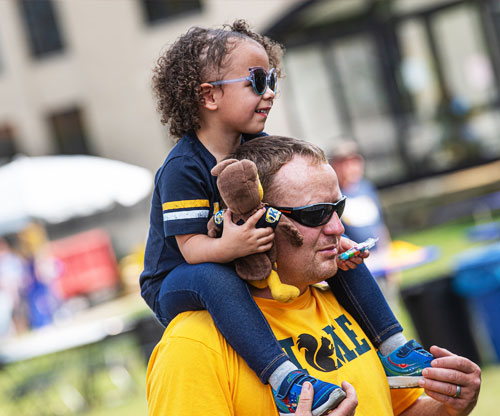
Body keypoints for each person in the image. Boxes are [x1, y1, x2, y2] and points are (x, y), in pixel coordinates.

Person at [140, 20, 431, 414]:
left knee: (339, 252)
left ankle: (394, 348)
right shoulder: (183, 168)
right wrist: (233, 245)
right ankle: (284, 379)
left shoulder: (256, 148)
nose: (271, 92)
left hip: (229, 259)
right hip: (177, 279)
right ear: (208, 96)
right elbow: (191, 249)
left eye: (273, 78)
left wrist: (326, 233)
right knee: (215, 276)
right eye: (257, 81)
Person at [146, 136, 481, 416]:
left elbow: (398, 410)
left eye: (338, 209)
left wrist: (448, 408)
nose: (337, 228)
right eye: (317, 214)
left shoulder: (348, 302)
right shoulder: (193, 345)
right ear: (256, 221)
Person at [328, 141, 399, 307]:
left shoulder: (367, 188)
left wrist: (390, 263)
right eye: (344, 162)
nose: (350, 167)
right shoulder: (332, 197)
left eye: (354, 161)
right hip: (354, 270)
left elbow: (380, 227)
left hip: (381, 267)